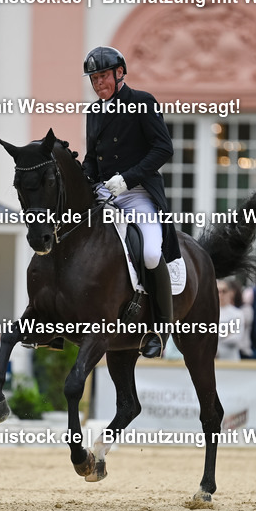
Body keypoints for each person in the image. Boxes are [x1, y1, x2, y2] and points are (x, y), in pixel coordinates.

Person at [81, 45, 178, 358]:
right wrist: (85, 180)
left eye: (103, 76)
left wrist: (128, 178)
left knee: (150, 254)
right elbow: (92, 159)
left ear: (119, 73)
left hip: (137, 194)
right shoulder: (94, 113)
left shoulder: (142, 102)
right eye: (94, 78)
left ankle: (160, 328)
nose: (98, 83)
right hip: (104, 195)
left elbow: (163, 149)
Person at [216, 279, 245, 361]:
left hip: (231, 360)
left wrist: (216, 336)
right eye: (218, 291)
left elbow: (236, 338)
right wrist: (227, 332)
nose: (221, 294)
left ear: (231, 293)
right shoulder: (208, 313)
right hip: (212, 360)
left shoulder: (237, 313)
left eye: (224, 291)